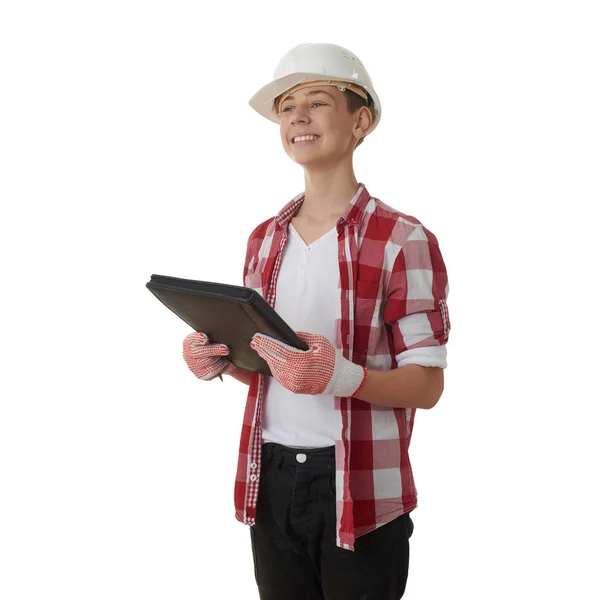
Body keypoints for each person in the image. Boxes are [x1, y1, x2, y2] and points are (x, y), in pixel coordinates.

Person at [182, 42, 451, 600]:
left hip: (359, 486)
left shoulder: (403, 240)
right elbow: (274, 371)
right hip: (271, 477)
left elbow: (427, 385)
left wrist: (341, 377)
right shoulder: (264, 240)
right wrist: (221, 361)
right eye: (286, 106)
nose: (297, 117)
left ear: (361, 121)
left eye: (317, 102)